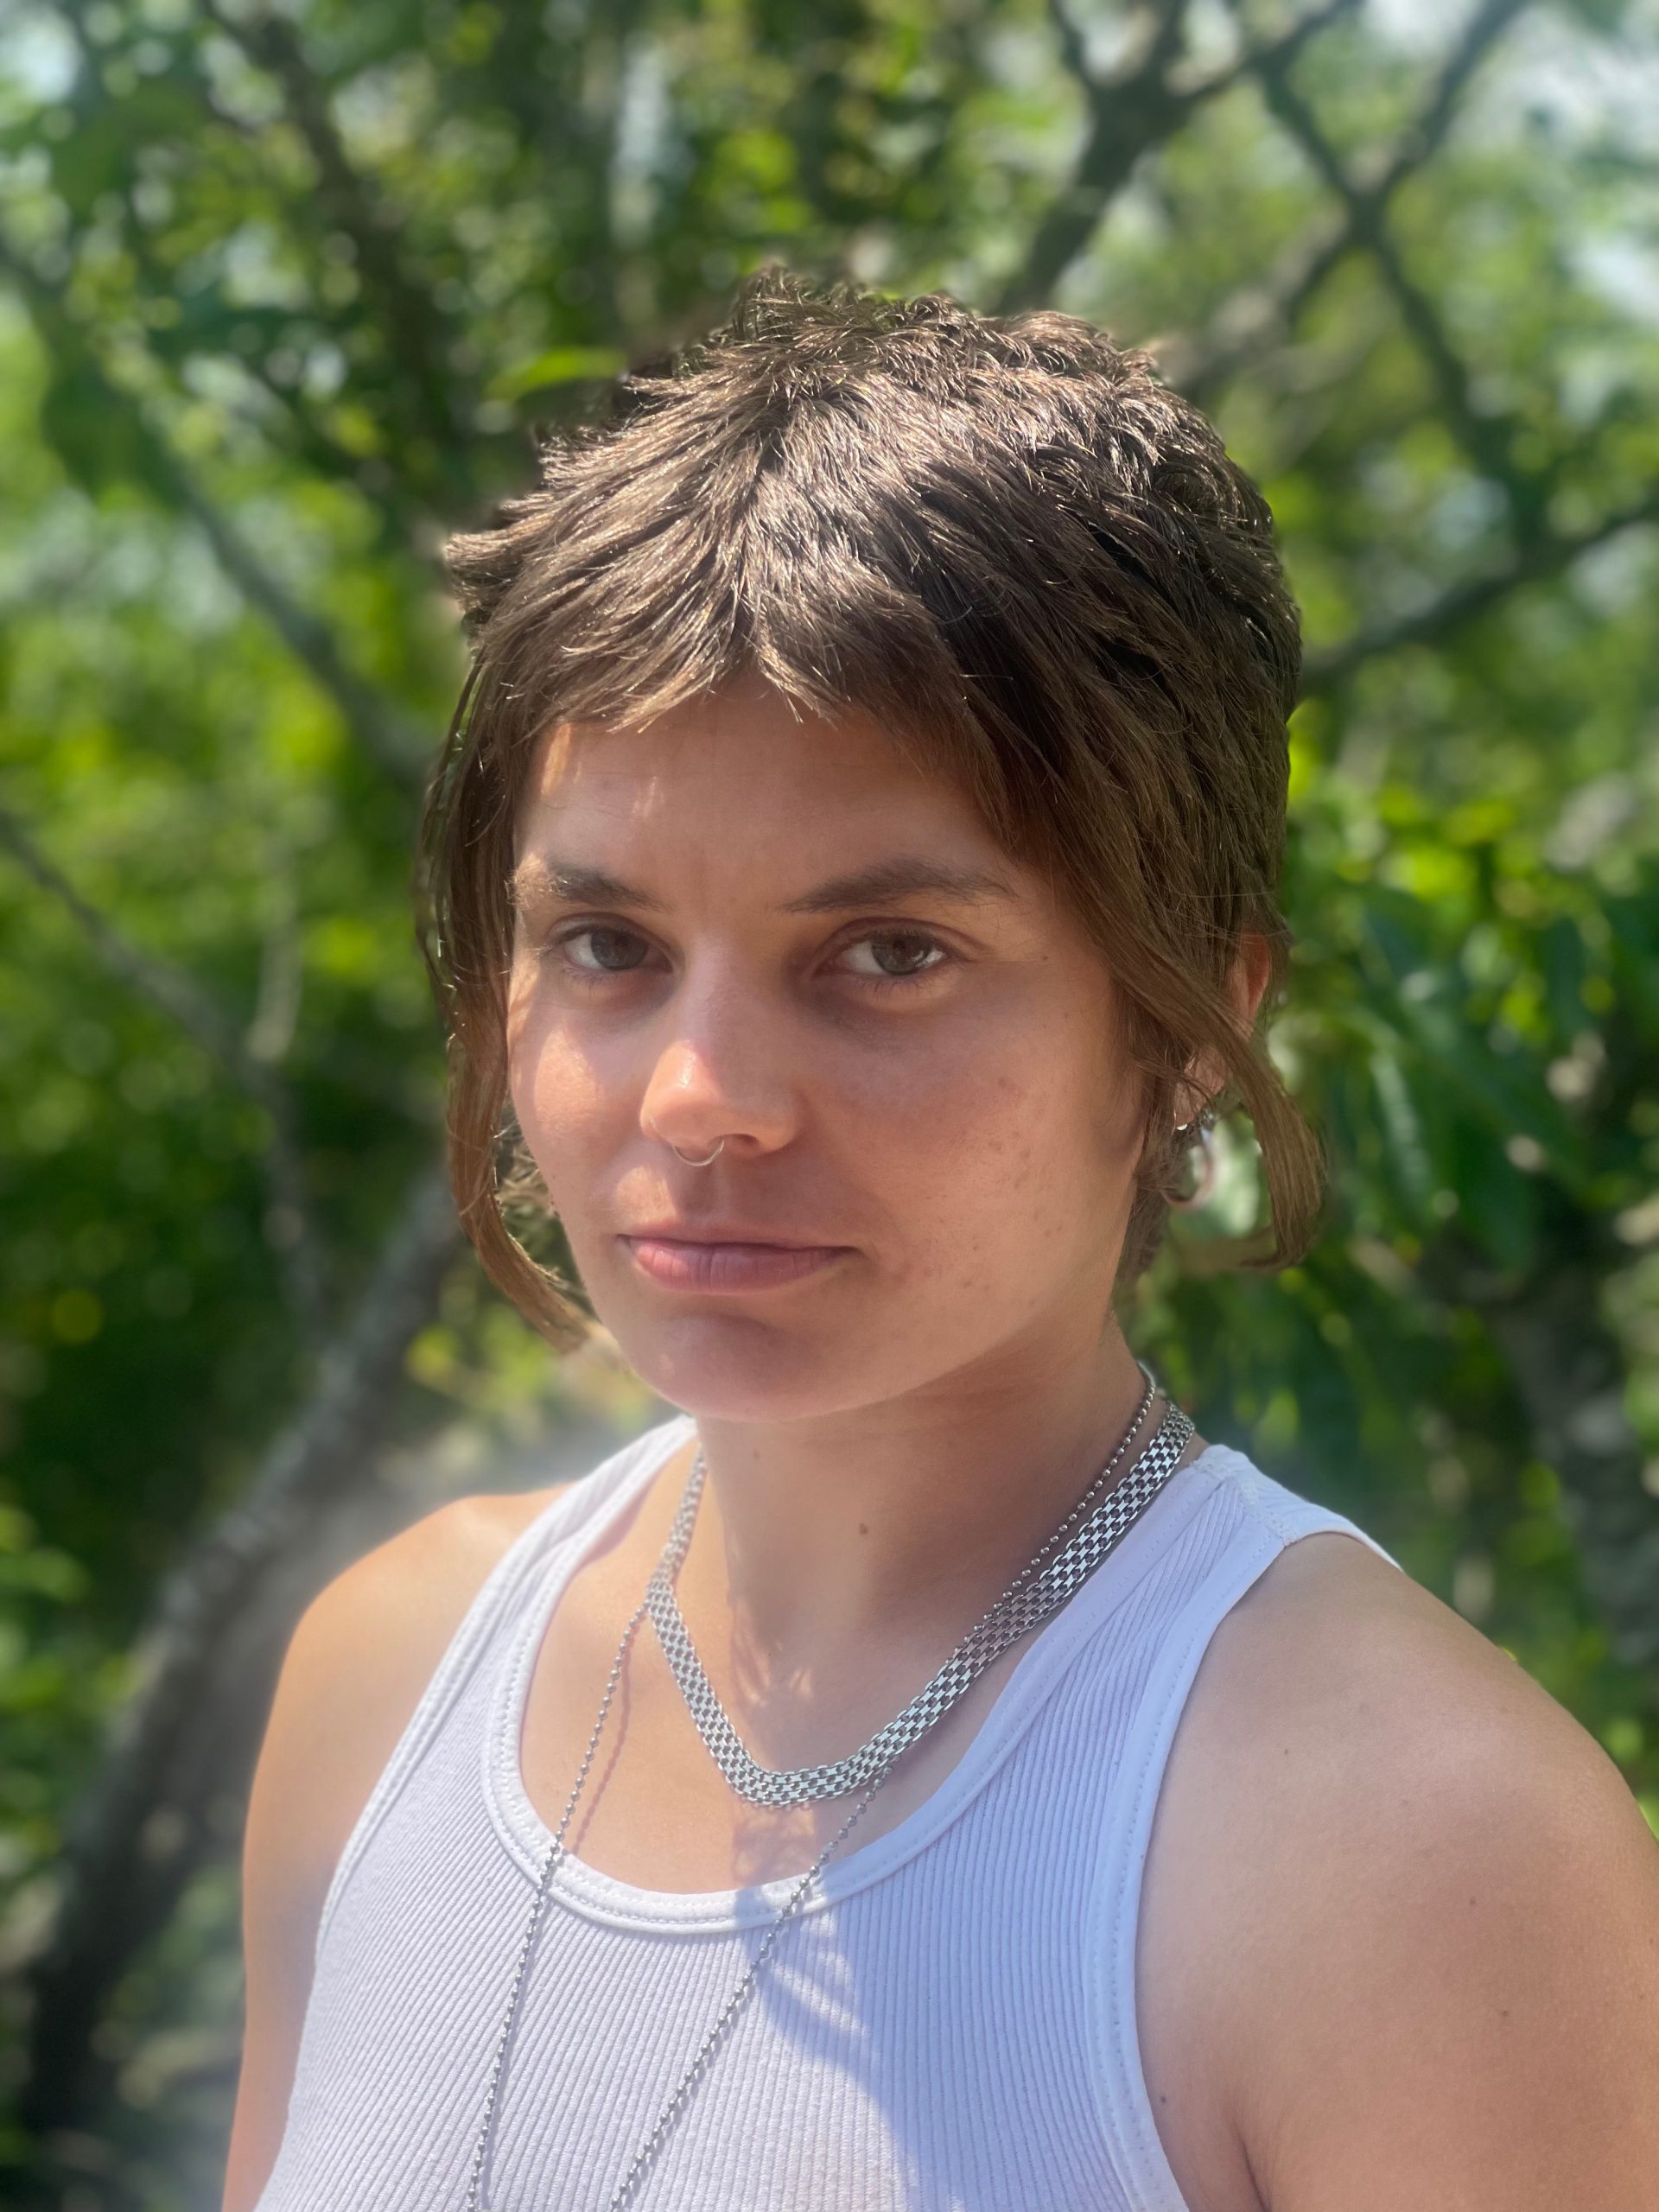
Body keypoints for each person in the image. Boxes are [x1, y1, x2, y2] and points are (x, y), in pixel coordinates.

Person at [222, 270, 1659, 2212]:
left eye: (890, 953)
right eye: (607, 944)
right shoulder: (391, 1676)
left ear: (1188, 1024)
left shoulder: (1408, 1843)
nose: (701, 1095)